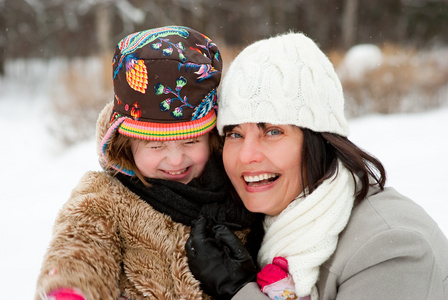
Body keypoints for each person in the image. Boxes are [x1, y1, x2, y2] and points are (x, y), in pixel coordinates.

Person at [186, 31, 448, 300]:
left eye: (273, 132)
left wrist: (238, 290)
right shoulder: (257, 224)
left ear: (319, 139)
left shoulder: (391, 247)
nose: (246, 156)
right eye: (234, 134)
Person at [35, 25, 263, 300]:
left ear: (213, 138)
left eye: (192, 142)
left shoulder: (239, 188)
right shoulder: (107, 197)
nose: (176, 159)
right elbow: (81, 244)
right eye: (156, 146)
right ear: (127, 144)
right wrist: (72, 290)